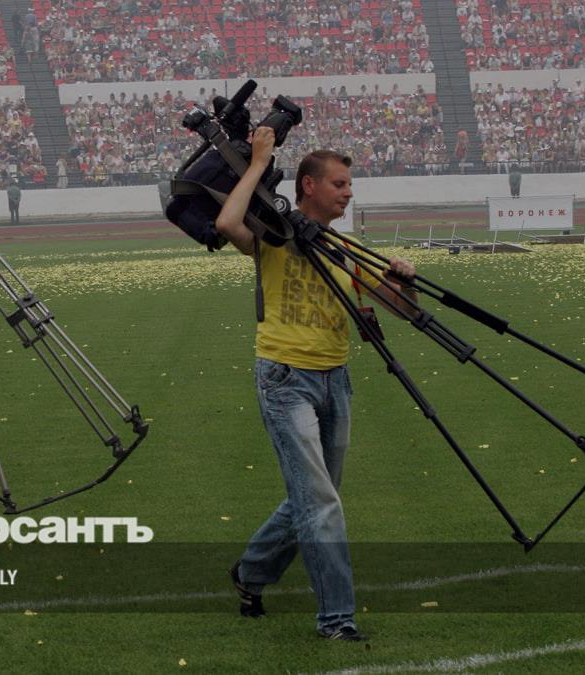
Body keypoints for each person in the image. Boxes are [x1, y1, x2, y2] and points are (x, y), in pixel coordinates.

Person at [214, 128, 419, 642]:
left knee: (315, 496)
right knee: (321, 502)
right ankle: (337, 620)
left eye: (350, 185)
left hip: (336, 378)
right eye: (339, 184)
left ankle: (250, 573)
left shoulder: (345, 248)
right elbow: (227, 223)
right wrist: (257, 163)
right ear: (309, 186)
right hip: (285, 378)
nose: (349, 192)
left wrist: (403, 281)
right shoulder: (275, 235)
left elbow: (397, 307)